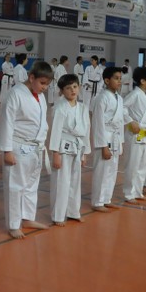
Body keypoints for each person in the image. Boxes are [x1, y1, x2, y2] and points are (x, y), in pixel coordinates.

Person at [0, 61, 54, 238]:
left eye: (47, 85)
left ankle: (28, 218)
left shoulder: (40, 96)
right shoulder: (15, 94)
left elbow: (41, 122)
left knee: (31, 186)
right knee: (15, 187)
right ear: (31, 77)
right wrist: (7, 150)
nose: (44, 88)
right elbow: (6, 122)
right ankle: (13, 224)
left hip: (36, 146)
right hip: (18, 146)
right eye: (42, 83)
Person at [48, 74, 90, 226]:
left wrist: (85, 153)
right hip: (63, 147)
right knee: (62, 181)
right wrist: (56, 153)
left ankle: (73, 212)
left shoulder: (83, 108)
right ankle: (58, 216)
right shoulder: (59, 108)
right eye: (68, 88)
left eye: (75, 86)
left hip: (78, 146)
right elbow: (55, 132)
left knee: (75, 181)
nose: (72, 90)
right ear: (61, 91)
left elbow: (86, 131)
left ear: (79, 87)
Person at [90, 67, 130, 212]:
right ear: (107, 80)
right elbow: (98, 123)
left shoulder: (119, 98)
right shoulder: (101, 98)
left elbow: (120, 121)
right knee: (102, 171)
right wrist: (103, 146)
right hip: (105, 137)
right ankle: (98, 202)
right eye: (116, 78)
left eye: (120, 78)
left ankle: (106, 199)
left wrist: (121, 143)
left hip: (115, 137)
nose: (119, 81)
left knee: (112, 171)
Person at [122, 66, 146, 204]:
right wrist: (130, 121)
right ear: (142, 81)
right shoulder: (135, 94)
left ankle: (138, 191)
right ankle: (128, 193)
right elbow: (122, 107)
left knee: (142, 165)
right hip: (134, 133)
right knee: (132, 165)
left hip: (144, 134)